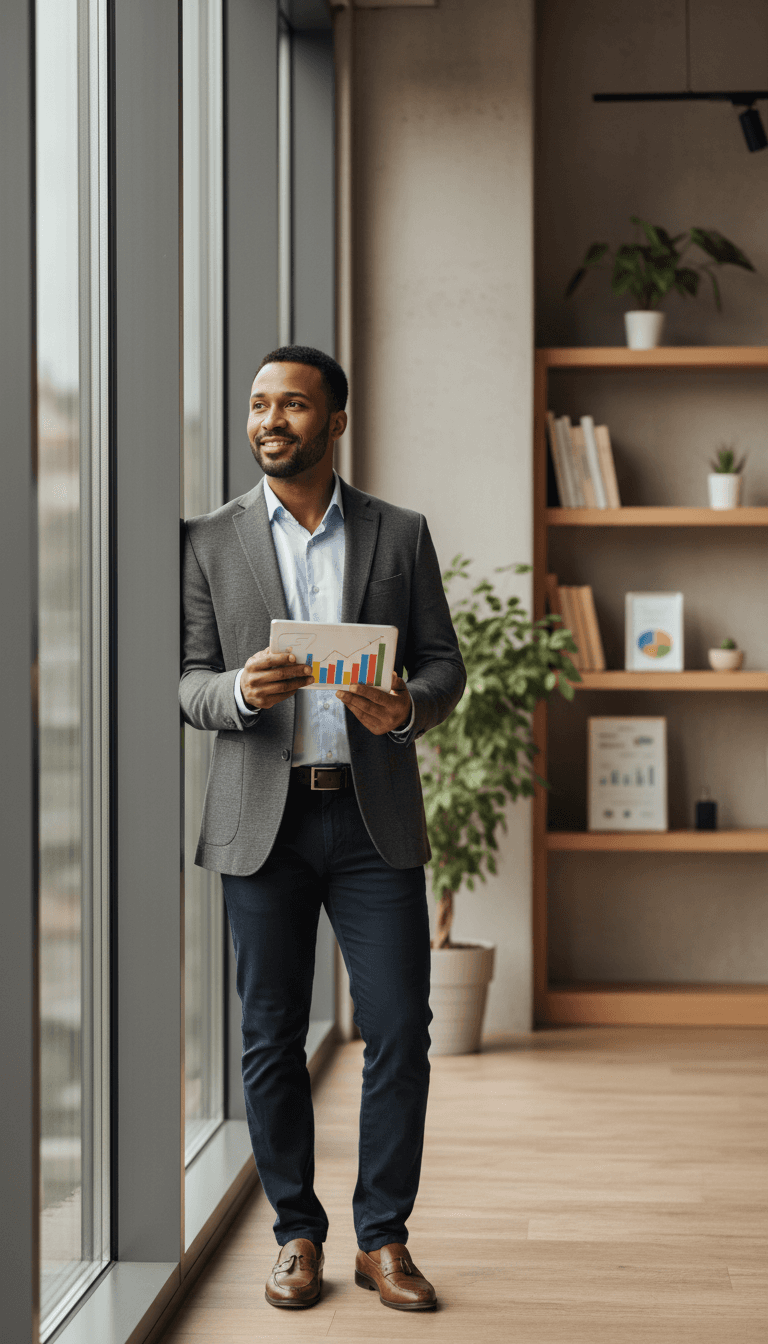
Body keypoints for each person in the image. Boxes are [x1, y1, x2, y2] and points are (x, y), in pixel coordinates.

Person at [179, 345, 465, 1312]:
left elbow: (443, 666)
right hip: (262, 820)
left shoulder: (399, 532)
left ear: (335, 421)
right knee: (268, 1037)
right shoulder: (209, 539)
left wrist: (407, 709)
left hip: (372, 818)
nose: (270, 420)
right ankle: (297, 1233)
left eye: (292, 405)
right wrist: (235, 690)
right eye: (259, 404)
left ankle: (384, 1239)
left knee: (398, 1030)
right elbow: (188, 679)